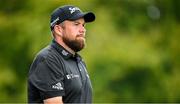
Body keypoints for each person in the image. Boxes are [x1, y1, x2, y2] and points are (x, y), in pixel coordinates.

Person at [28, 5, 95, 103]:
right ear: (58, 29)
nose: (83, 30)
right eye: (76, 24)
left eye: (83, 25)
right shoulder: (48, 59)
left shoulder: (78, 61)